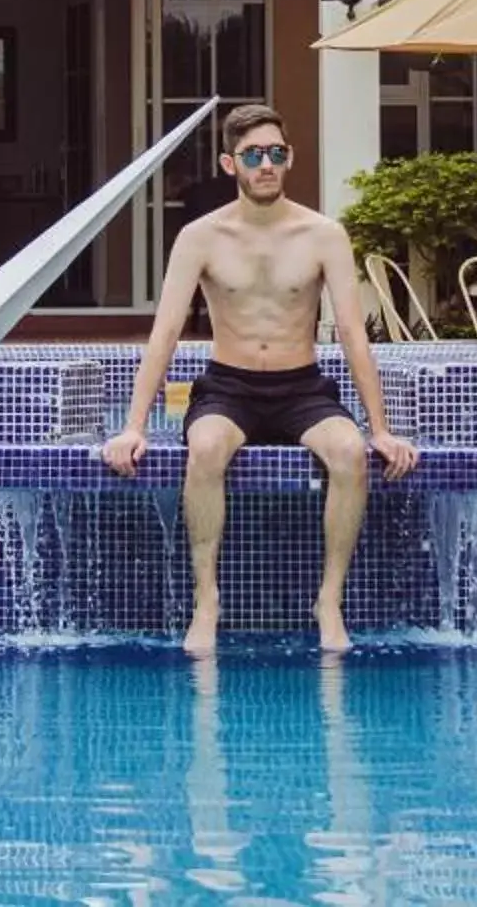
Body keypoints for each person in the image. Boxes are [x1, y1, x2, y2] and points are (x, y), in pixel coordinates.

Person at [103, 103, 419, 654]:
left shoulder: (324, 235)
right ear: (231, 164)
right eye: (253, 155)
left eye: (276, 153)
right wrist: (133, 426)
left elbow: (352, 332)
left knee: (349, 454)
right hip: (230, 388)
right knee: (204, 448)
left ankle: (329, 600)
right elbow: (166, 332)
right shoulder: (200, 237)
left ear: (289, 157)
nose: (266, 164)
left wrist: (381, 428)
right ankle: (207, 600)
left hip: (302, 388)